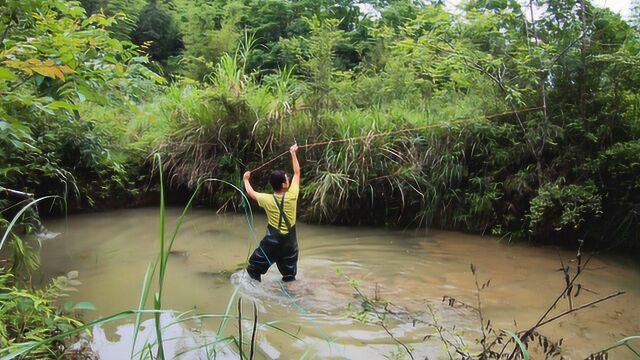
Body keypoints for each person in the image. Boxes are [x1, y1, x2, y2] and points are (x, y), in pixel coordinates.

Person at [243, 144, 300, 282]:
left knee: (253, 269)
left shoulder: (266, 199)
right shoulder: (292, 196)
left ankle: (255, 295)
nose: (288, 178)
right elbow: (297, 173)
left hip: (272, 242)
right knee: (289, 275)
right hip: (290, 244)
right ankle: (290, 294)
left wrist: (246, 179)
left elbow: (250, 192)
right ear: (284, 185)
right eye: (287, 178)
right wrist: (293, 153)